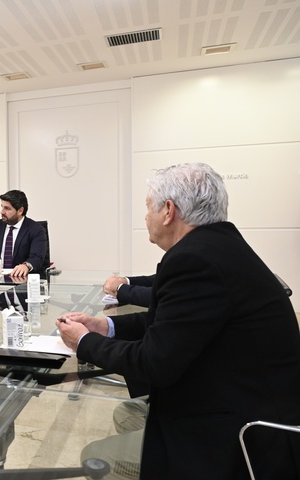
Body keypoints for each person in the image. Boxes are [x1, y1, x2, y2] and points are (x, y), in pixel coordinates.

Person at [58, 163, 300, 480]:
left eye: (148, 207)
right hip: (245, 400)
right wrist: (106, 327)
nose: (146, 217)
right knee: (130, 413)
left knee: (96, 456)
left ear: (169, 210)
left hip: (246, 433)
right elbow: (173, 322)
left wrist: (85, 342)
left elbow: (154, 364)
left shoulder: (195, 259)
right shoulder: (219, 247)